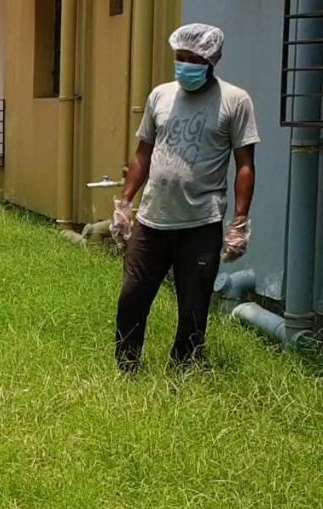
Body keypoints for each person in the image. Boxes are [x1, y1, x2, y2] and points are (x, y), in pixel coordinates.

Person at [111, 23, 259, 372]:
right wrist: (124, 203)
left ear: (211, 60)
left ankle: (184, 370)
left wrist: (239, 223)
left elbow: (245, 165)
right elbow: (143, 153)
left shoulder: (235, 101)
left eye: (194, 58)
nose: (186, 64)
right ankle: (127, 366)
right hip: (152, 219)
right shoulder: (160, 96)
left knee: (193, 306)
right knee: (132, 297)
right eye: (181, 57)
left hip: (200, 222)